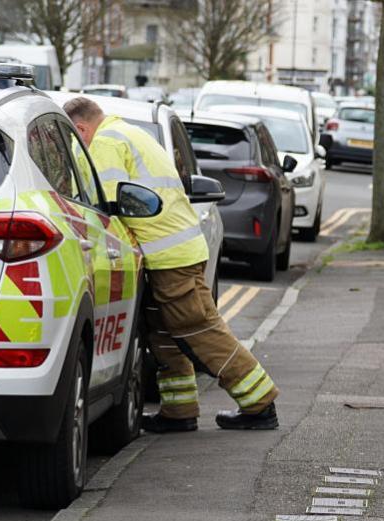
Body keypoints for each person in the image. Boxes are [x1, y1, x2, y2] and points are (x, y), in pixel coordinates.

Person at [63, 97, 280, 432]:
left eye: (75, 138)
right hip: (169, 252)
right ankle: (179, 411)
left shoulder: (105, 142)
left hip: (169, 257)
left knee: (199, 330)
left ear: (80, 129)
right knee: (163, 334)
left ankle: (260, 403)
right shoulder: (126, 132)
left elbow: (106, 207)